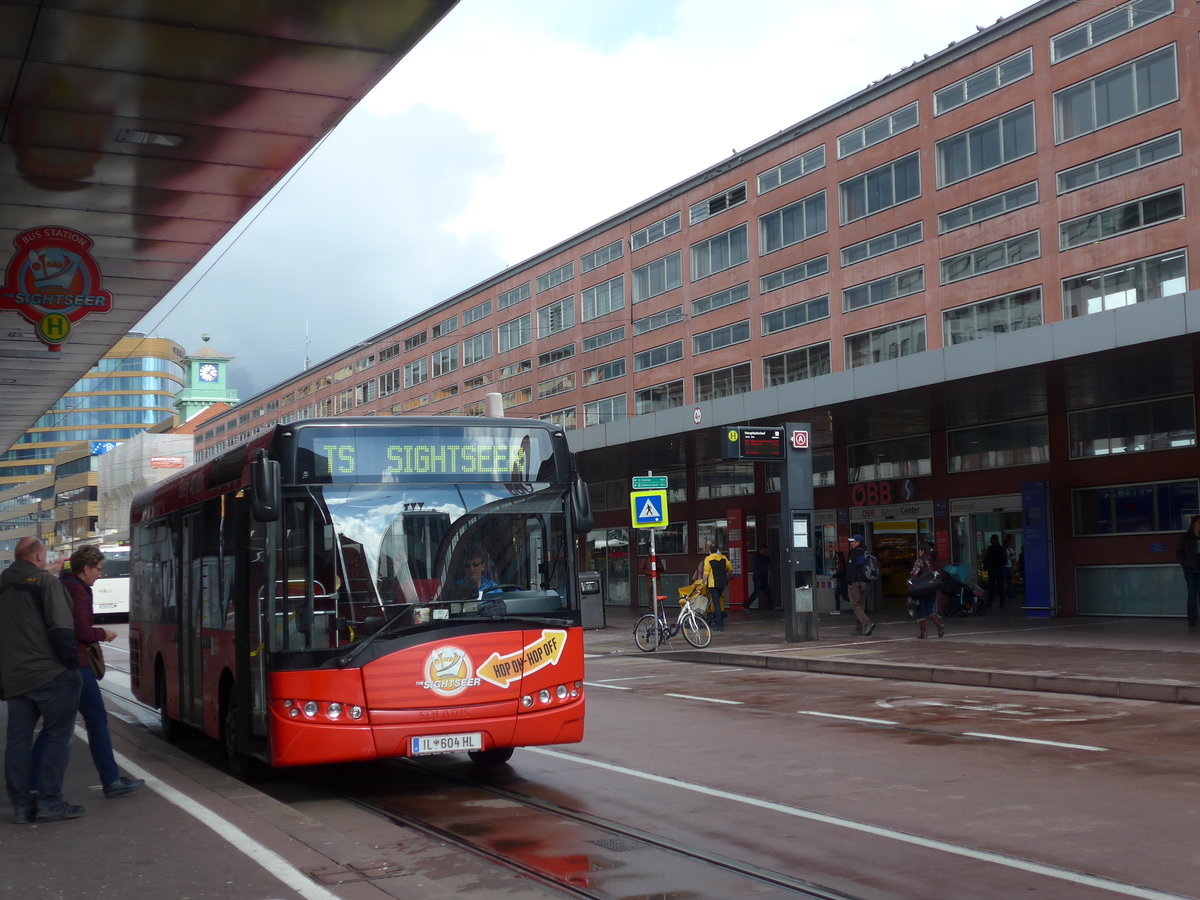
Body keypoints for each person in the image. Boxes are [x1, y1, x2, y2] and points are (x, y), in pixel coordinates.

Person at [31, 546, 143, 800]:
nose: (100, 575)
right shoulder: (78, 591)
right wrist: (102, 633)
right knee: (95, 721)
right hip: (78, 665)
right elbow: (81, 630)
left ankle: (33, 782)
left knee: (56, 725)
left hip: (61, 664)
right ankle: (111, 780)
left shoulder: (62, 585)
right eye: (98, 569)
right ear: (85, 569)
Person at [0, 537, 85, 823]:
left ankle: (21, 807)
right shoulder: (45, 583)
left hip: (15, 677)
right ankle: (50, 802)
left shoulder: (2, 584)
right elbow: (62, 628)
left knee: (17, 742)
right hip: (49, 674)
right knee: (58, 736)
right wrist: (71, 666)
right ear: (38, 556)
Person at [909, 541, 946, 639]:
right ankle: (939, 625)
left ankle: (923, 632)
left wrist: (911, 579)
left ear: (922, 551)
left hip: (922, 588)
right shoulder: (934, 560)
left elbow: (914, 573)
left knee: (920, 609)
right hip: (932, 587)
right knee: (929, 609)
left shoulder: (920, 560)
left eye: (920, 550)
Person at [845, 535, 876, 636]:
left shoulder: (855, 552)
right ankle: (860, 629)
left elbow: (852, 568)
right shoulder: (865, 552)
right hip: (865, 582)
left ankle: (867, 623)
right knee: (861, 605)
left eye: (853, 541)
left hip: (855, 582)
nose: (851, 543)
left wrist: (849, 581)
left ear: (858, 542)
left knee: (854, 605)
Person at [701, 543, 732, 631]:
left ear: (709, 551)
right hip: (722, 584)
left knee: (716, 605)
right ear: (717, 550)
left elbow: (706, 573)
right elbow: (730, 567)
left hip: (713, 584)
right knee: (718, 602)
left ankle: (719, 625)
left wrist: (702, 584)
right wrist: (729, 575)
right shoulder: (723, 558)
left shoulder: (708, 559)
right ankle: (717, 619)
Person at [1176, 515, 1200, 627]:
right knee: (1192, 594)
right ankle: (1192, 619)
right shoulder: (1186, 537)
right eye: (1198, 522)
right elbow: (1179, 552)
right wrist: (1185, 564)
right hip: (1191, 571)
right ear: (1194, 524)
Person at [984, 534, 1008, 611]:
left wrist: (986, 566)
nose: (991, 541)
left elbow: (987, 558)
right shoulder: (999, 548)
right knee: (998, 587)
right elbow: (1004, 560)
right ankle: (1000, 602)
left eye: (991, 539)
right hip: (997, 570)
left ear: (994, 540)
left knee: (993, 587)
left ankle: (991, 602)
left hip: (995, 570)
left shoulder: (993, 549)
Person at [747, 545, 773, 610]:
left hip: (763, 577)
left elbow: (768, 563)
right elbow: (759, 567)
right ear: (761, 550)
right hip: (758, 577)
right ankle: (746, 604)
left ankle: (771, 606)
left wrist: (768, 557)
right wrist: (767, 571)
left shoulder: (765, 557)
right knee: (757, 592)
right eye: (765, 550)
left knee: (767, 592)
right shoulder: (757, 557)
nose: (766, 551)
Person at [832, 550, 848, 615]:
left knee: (844, 596)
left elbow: (842, 573)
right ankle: (837, 609)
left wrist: (834, 575)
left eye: (837, 556)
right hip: (841, 582)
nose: (836, 557)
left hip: (842, 582)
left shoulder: (842, 563)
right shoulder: (840, 563)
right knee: (838, 595)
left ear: (839, 557)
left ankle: (855, 605)